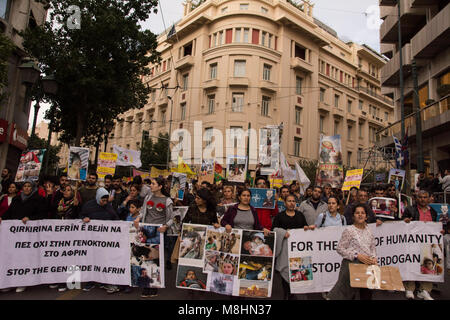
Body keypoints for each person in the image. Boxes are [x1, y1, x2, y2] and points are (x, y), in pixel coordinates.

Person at [0, 180, 47, 293]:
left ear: (33, 188)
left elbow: (43, 214)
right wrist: (3, 218)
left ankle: (23, 281)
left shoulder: (39, 199)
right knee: (12, 257)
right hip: (15, 234)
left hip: (29, 234)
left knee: (25, 258)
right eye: (25, 186)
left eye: (29, 186)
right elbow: (9, 212)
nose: (26, 188)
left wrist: (30, 218)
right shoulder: (17, 199)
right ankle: (9, 282)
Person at [327, 204, 377, 300]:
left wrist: (374, 258)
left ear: (366, 216)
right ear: (353, 216)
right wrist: (356, 255)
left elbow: (372, 248)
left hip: (367, 267)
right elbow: (340, 248)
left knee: (366, 295)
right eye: (357, 213)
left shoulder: (369, 231)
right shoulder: (349, 230)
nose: (360, 215)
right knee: (348, 295)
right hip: (351, 267)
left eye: (362, 213)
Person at [134, 177, 173, 298]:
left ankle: (155, 285)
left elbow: (171, 218)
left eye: (153, 184)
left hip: (158, 234)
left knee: (156, 259)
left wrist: (166, 226)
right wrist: (138, 218)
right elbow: (143, 211)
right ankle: (146, 285)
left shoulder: (167, 201)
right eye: (151, 183)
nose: (151, 185)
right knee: (145, 257)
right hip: (145, 231)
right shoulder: (148, 197)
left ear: (160, 186)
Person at [80, 188, 120, 293]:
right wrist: (84, 218)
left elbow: (115, 219)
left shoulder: (109, 207)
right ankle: (91, 281)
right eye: (103, 200)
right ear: (98, 198)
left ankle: (103, 280)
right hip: (92, 239)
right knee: (92, 260)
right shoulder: (89, 206)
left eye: (106, 200)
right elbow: (81, 215)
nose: (104, 202)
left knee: (104, 260)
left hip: (105, 241)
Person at [402, 190, 439, 300]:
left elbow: (435, 226)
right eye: (420, 197)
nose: (423, 199)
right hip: (413, 241)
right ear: (416, 199)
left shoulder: (433, 211)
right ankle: (409, 289)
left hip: (427, 242)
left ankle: (424, 290)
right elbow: (401, 223)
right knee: (411, 263)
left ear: (429, 199)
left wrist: (439, 232)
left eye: (425, 197)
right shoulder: (410, 209)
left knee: (428, 264)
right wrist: (406, 221)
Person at [272, 194, 311, 300]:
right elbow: (274, 230)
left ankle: (295, 295)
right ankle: (286, 294)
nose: (291, 203)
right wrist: (282, 232)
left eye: (293, 201)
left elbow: (304, 228)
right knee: (285, 275)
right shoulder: (279, 216)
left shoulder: (300, 215)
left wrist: (307, 228)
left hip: (298, 251)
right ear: (285, 203)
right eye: (289, 201)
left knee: (298, 274)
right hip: (284, 250)